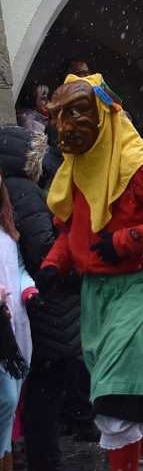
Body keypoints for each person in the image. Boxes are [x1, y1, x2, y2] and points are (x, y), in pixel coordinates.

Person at [36, 75, 143, 471]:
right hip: (96, 287)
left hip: (139, 282)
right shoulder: (79, 165)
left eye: (76, 115)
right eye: (60, 116)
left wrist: (129, 239)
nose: (65, 127)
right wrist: (54, 264)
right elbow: (72, 227)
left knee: (118, 386)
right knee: (112, 384)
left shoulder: (137, 163)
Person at [1, 126, 77, 471]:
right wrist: (77, 267)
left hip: (39, 304)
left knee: (39, 392)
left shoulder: (15, 190)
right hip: (47, 306)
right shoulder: (24, 192)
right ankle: (47, 461)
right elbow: (44, 252)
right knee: (45, 392)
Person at [0, 160, 39, 470]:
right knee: (5, 400)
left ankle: (7, 453)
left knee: (13, 397)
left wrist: (28, 289)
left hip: (13, 325)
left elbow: (20, 269)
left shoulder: (5, 230)